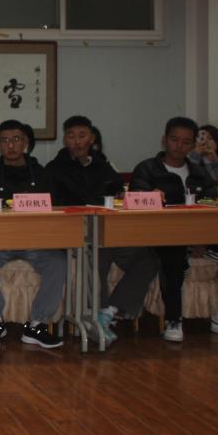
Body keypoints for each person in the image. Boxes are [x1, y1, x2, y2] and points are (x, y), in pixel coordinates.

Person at [130, 117, 218, 342]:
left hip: (200, 238)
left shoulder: (199, 172)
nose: (179, 146)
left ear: (192, 145)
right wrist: (151, 196)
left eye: (186, 142)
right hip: (162, 237)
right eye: (174, 140)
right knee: (173, 256)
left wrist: (202, 238)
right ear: (164, 140)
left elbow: (212, 204)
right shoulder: (147, 169)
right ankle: (173, 320)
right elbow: (136, 200)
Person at [46, 116, 157, 345]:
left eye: (82, 135)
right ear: (65, 140)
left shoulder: (103, 165)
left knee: (147, 259)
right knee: (99, 251)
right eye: (71, 136)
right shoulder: (55, 168)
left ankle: (109, 311)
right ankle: (94, 316)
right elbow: (53, 205)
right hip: (76, 234)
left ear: (92, 138)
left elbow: (118, 193)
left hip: (109, 231)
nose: (77, 141)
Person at [0, 120, 66, 349]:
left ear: (26, 143)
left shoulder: (43, 175)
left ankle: (37, 324)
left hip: (36, 241)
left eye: (16, 139)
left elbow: (55, 210)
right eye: (5, 140)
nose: (10, 145)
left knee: (58, 261)